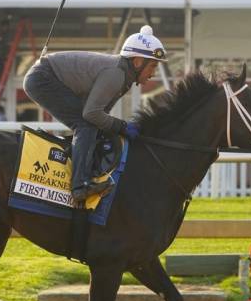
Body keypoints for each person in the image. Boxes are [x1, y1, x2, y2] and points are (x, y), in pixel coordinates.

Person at [23, 25, 166, 203]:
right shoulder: (117, 75)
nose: (153, 73)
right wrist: (122, 126)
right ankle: (80, 187)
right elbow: (91, 114)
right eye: (152, 66)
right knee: (86, 124)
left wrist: (117, 127)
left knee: (91, 126)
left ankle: (78, 168)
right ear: (137, 62)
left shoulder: (124, 76)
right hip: (42, 78)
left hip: (45, 75)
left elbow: (100, 116)